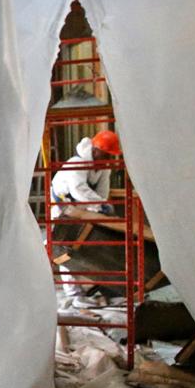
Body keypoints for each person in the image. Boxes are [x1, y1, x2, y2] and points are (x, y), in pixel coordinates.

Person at [50, 129, 121, 308]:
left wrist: (101, 207)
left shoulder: (103, 169)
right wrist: (100, 206)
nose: (109, 160)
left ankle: (101, 286)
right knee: (65, 248)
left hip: (82, 206)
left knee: (91, 242)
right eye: (106, 155)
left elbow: (101, 193)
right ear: (96, 150)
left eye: (111, 156)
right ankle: (74, 295)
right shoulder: (77, 163)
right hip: (63, 205)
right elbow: (78, 190)